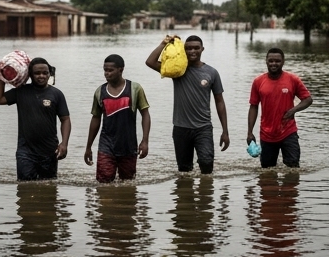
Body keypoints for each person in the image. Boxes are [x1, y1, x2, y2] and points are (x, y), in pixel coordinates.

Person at [145, 35, 230, 174]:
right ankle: (186, 194)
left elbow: (219, 101)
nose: (192, 51)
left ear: (202, 49)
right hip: (181, 129)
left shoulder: (212, 72)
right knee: (184, 171)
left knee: (207, 164)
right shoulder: (177, 70)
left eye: (196, 48)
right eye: (188, 48)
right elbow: (150, 62)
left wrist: (225, 131)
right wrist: (164, 43)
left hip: (203, 128)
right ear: (183, 50)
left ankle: (205, 193)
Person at [0, 57, 72, 180]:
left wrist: (64, 144)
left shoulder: (56, 94)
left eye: (45, 73)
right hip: (26, 152)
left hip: (50, 152)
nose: (41, 76)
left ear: (49, 74)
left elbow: (65, 119)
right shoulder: (21, 92)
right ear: (30, 75)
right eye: (37, 73)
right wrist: (3, 78)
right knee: (24, 188)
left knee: (49, 190)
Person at [83, 54, 151, 183]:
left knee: (128, 182)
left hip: (128, 145)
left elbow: (145, 114)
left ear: (121, 70)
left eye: (110, 70)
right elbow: (95, 119)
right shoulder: (100, 91)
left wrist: (145, 141)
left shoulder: (135, 89)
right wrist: (88, 147)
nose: (106, 73)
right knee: (104, 181)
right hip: (106, 145)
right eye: (105, 70)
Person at [246, 48, 313, 169]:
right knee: (267, 170)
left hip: (288, 131)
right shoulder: (258, 82)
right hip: (267, 134)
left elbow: (308, 99)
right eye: (271, 61)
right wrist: (250, 132)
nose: (274, 64)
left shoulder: (292, 80)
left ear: (283, 62)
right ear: (266, 61)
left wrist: (294, 110)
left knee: (293, 167)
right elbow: (253, 106)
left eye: (277, 61)